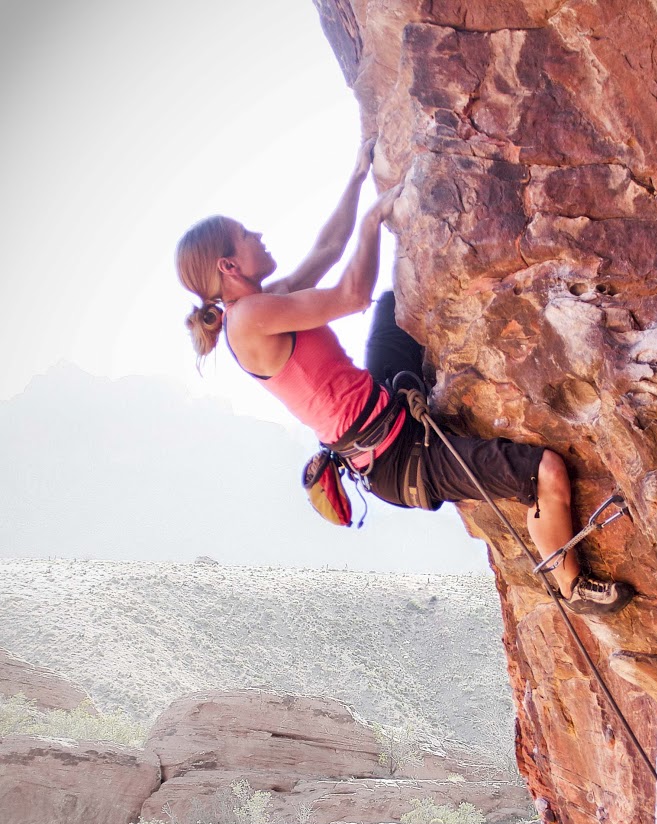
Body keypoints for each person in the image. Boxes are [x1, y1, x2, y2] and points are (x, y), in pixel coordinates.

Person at [175, 145, 632, 614]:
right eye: (245, 235)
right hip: (399, 457)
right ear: (228, 267)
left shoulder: (261, 301)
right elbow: (352, 295)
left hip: (382, 410)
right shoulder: (248, 319)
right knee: (546, 472)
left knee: (397, 305)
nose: (258, 235)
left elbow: (329, 249)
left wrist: (355, 179)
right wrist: (372, 221)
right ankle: (572, 586)